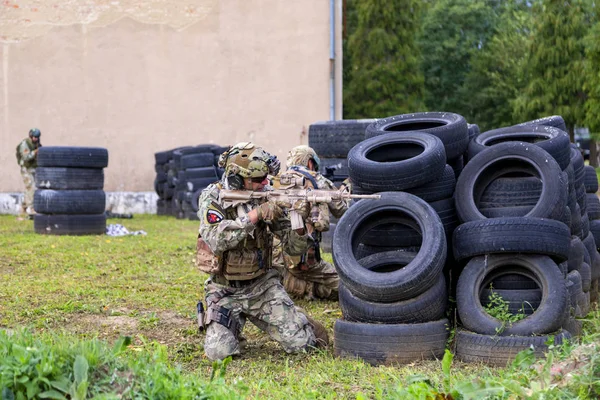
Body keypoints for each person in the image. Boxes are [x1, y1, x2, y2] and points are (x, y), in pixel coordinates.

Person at [196, 142, 328, 361]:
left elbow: (293, 248)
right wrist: (257, 214)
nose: (265, 183)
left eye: (266, 178)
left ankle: (294, 318)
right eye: (258, 180)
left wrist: (298, 222)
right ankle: (229, 326)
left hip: (262, 286)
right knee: (219, 353)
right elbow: (217, 239)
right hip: (224, 290)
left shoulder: (267, 195)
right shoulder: (213, 197)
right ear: (237, 178)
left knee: (303, 345)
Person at [272, 145, 350, 300]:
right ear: (309, 162)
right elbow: (342, 211)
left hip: (276, 257)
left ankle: (297, 287)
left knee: (296, 282)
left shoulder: (277, 181)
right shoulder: (319, 181)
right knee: (347, 286)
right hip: (303, 256)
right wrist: (345, 191)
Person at [16, 128, 42, 219]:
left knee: (29, 189)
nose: (36, 139)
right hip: (26, 169)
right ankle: (31, 209)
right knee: (31, 187)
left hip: (33, 169)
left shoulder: (37, 144)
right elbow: (26, 157)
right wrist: (35, 152)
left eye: (37, 137)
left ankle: (23, 208)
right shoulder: (25, 144)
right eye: (34, 137)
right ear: (31, 136)